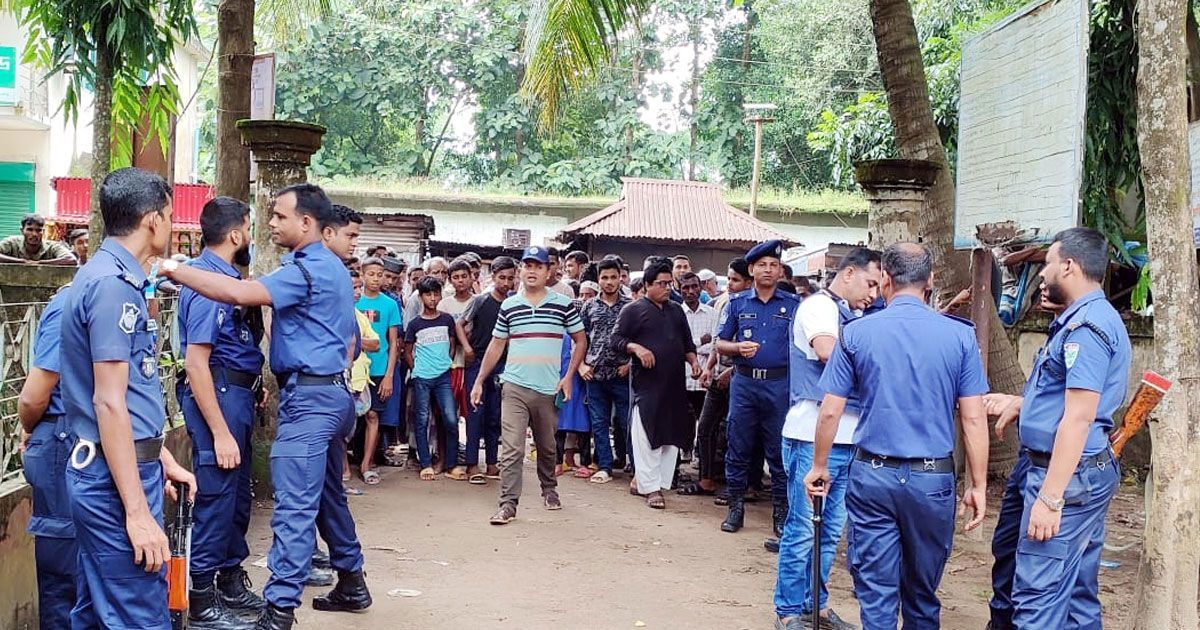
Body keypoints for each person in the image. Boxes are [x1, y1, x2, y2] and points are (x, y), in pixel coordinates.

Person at [161, 183, 370, 629]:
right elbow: (351, 341)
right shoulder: (331, 268)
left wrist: (175, 271)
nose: (271, 224)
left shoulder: (306, 268)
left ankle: (278, 612)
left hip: (310, 403)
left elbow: (239, 295)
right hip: (333, 395)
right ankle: (351, 579)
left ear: (307, 223)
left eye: (278, 216)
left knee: (294, 506)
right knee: (329, 494)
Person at [803, 242, 990, 630]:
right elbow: (973, 418)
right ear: (931, 281)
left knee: (876, 593)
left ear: (885, 278)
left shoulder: (856, 334)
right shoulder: (959, 337)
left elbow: (831, 410)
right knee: (922, 594)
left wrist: (819, 466)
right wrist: (979, 484)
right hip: (931, 480)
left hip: (873, 476)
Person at [60, 167, 197, 628]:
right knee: (138, 610)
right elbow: (109, 403)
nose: (172, 225)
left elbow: (126, 396)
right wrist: (137, 512)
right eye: (170, 215)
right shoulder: (112, 286)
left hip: (116, 468)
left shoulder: (111, 276)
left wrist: (157, 456)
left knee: (99, 611)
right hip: (110, 482)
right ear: (153, 219)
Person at [983, 228, 1130, 629]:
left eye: (1047, 263)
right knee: (1073, 590)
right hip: (1057, 467)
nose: (1043, 273)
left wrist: (1050, 499)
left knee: (1038, 598)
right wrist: (1024, 405)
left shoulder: (1087, 330)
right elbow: (1068, 398)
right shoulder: (1077, 320)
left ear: (1068, 265)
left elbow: (1080, 417)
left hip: (1064, 473)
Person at [774, 247, 880, 630]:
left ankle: (814, 606)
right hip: (812, 435)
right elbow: (827, 352)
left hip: (850, 437)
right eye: (870, 282)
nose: (873, 293)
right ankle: (788, 611)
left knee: (831, 530)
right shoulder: (819, 307)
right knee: (803, 528)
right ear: (848, 273)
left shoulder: (856, 314)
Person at [177, 197, 266, 628]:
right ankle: (201, 598)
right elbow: (197, 362)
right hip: (220, 394)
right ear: (235, 234)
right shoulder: (209, 284)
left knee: (235, 496)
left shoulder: (225, 277)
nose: (249, 235)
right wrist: (220, 431)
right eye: (248, 227)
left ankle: (229, 581)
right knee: (215, 495)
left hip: (237, 393)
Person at [471, 245, 587, 525]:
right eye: (527, 265)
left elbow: (580, 340)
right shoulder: (509, 306)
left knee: (547, 446)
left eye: (538, 266)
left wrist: (568, 375)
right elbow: (496, 345)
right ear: (521, 270)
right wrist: (478, 381)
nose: (532, 271)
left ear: (549, 271)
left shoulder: (563, 304)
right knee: (512, 447)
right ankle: (508, 504)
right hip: (514, 386)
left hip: (548, 389)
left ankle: (549, 488)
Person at [715, 240, 800, 535]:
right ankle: (735, 508)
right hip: (745, 383)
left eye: (773, 265)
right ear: (751, 270)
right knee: (737, 445)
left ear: (780, 272)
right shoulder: (737, 303)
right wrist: (737, 348)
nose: (768, 269)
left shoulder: (793, 306)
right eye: (762, 265)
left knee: (778, 450)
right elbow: (720, 342)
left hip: (779, 384)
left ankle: (780, 512)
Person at [613, 261, 700, 509]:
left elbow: (687, 343)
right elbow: (616, 340)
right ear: (648, 285)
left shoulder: (675, 310)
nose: (666, 288)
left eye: (669, 283)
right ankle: (651, 489)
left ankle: (651, 482)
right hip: (647, 385)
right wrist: (637, 348)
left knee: (669, 435)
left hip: (674, 384)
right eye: (661, 284)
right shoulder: (633, 310)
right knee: (646, 434)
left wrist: (693, 363)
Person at [18, 286, 79, 629]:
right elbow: (32, 397)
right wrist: (29, 428)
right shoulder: (71, 302)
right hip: (61, 436)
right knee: (63, 573)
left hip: (76, 437)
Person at [683, 258, 751, 498]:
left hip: (744, 379)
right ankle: (706, 480)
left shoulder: (754, 307)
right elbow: (718, 341)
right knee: (706, 428)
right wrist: (710, 367)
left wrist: (731, 372)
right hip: (718, 376)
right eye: (729, 279)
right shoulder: (728, 304)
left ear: (749, 282)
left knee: (736, 433)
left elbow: (758, 349)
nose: (730, 284)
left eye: (735, 280)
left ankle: (742, 487)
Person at [458, 256, 516, 483]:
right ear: (492, 277)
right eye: (501, 277)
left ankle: (492, 463)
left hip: (504, 365)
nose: (506, 282)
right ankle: (472, 464)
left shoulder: (513, 304)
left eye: (510, 278)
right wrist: (467, 349)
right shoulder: (480, 302)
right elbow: (460, 324)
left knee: (495, 416)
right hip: (479, 361)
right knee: (475, 414)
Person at [406, 276, 470, 480]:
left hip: (443, 376)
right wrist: (416, 368)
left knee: (451, 419)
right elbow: (407, 351)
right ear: (421, 296)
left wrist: (446, 362)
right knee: (422, 420)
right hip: (422, 378)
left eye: (436, 294)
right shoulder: (415, 324)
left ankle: (451, 464)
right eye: (428, 294)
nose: (432, 298)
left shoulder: (447, 319)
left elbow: (452, 344)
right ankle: (425, 463)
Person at [579, 258, 633, 484]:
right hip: (595, 374)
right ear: (598, 280)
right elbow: (579, 339)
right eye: (604, 278)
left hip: (621, 374)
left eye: (613, 277)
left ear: (621, 277)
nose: (609, 282)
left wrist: (630, 364)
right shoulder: (589, 306)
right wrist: (581, 365)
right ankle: (604, 467)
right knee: (599, 423)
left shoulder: (630, 306)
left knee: (625, 422)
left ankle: (635, 465)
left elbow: (639, 339)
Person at [355, 258, 402, 485]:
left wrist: (389, 375)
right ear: (362, 275)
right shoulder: (353, 300)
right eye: (371, 274)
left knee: (373, 415)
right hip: (353, 368)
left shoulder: (390, 305)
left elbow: (393, 343)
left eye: (380, 274)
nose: (376, 278)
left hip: (379, 367)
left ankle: (367, 463)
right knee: (349, 417)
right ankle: (345, 464)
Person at [678, 271, 717, 456]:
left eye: (694, 286)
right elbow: (676, 346)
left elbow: (716, 345)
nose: (690, 291)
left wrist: (690, 347)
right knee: (682, 422)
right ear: (679, 290)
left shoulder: (712, 313)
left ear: (700, 287)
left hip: (705, 379)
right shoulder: (675, 314)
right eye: (686, 288)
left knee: (705, 424)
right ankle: (684, 455)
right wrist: (701, 341)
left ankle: (702, 459)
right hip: (681, 379)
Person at [439, 259, 477, 431]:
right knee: (448, 414)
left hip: (472, 362)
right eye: (456, 277)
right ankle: (448, 455)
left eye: (464, 276)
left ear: (472, 278)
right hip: (451, 363)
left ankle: (470, 454)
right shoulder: (444, 304)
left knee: (472, 411)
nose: (460, 280)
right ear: (450, 280)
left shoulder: (479, 301)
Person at [0, 214, 76, 265]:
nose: (34, 234)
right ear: (22, 230)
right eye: (30, 230)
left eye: (38, 230)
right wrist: (21, 261)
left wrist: (39, 263)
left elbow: (71, 259)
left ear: (43, 231)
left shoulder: (52, 246)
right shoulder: (11, 242)